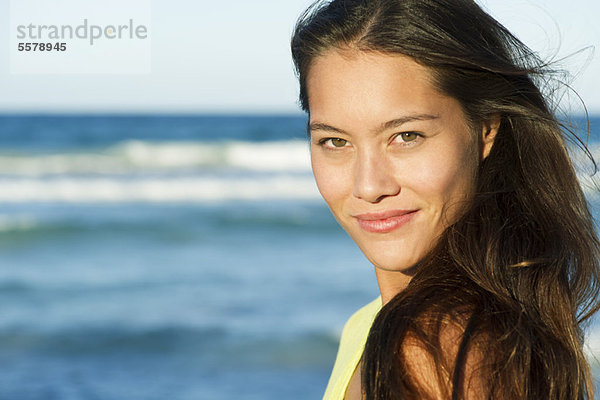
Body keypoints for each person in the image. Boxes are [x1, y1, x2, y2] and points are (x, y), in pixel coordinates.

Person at [290, 0, 600, 399]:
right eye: (335, 141)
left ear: (485, 130)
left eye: (406, 136)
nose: (368, 186)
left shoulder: (438, 349)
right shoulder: (368, 325)